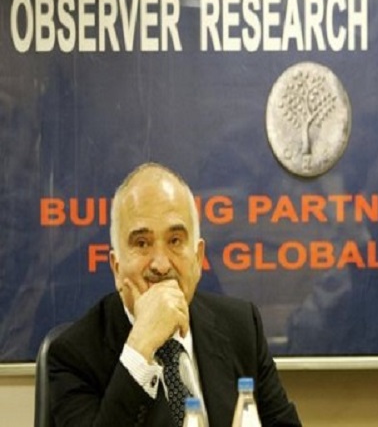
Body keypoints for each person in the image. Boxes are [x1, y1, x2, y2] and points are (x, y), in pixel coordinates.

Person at [47, 162, 302, 427]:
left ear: (198, 258)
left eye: (175, 241)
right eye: (142, 243)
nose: (160, 264)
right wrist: (140, 347)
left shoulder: (241, 327)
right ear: (116, 267)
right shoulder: (73, 356)